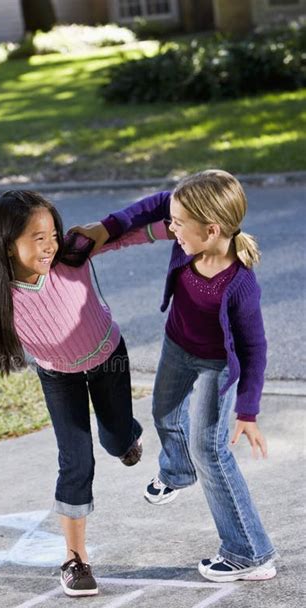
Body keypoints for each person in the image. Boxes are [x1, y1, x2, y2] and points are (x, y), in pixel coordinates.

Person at [0, 190, 169, 597]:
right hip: (59, 377)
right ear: (8, 244)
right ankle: (75, 559)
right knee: (75, 462)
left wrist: (179, 229)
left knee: (116, 440)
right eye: (39, 238)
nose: (51, 244)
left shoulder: (73, 254)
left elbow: (127, 235)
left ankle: (127, 435)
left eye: (52, 233)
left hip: (108, 357)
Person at [71, 170, 276, 583]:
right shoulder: (190, 236)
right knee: (164, 413)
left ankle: (248, 553)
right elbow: (153, 205)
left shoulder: (239, 285)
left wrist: (248, 410)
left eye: (179, 224)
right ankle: (177, 472)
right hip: (178, 347)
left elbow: (254, 350)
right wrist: (107, 228)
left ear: (212, 229)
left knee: (210, 450)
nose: (171, 228)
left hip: (217, 366)